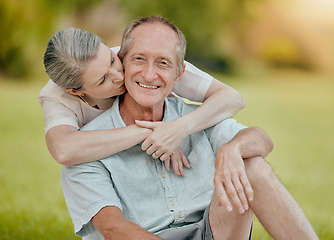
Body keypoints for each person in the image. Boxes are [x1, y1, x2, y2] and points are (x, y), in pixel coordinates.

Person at [61, 16, 318, 240]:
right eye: (139, 59)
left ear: (179, 74)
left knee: (253, 166)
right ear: (122, 62)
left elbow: (263, 141)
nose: (149, 75)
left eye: (163, 63)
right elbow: (113, 230)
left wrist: (233, 149)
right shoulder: (87, 147)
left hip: (215, 231)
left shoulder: (197, 117)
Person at [38, 27, 246, 175]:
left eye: (112, 60)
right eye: (103, 80)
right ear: (75, 91)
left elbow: (232, 99)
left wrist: (178, 128)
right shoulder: (56, 97)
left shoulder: (138, 59)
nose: (119, 76)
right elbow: (64, 150)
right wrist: (151, 131)